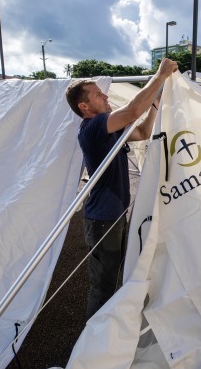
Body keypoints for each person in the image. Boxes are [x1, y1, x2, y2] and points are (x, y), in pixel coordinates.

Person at [66, 57, 179, 320]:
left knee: (113, 274)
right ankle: (92, 342)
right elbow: (130, 112)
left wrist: (154, 106)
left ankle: (106, 330)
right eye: (97, 94)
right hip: (102, 219)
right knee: (103, 283)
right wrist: (159, 76)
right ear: (84, 106)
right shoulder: (92, 127)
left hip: (113, 215)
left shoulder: (109, 129)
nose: (104, 95)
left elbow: (142, 132)